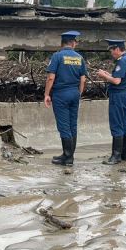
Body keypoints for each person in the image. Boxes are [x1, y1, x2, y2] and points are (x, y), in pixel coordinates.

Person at [44, 31, 87, 166]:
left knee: (63, 126)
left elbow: (51, 77)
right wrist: (78, 93)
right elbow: (83, 79)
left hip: (61, 94)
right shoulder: (79, 57)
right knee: (72, 125)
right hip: (74, 93)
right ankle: (69, 155)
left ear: (62, 43)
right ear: (73, 43)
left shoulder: (57, 56)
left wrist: (46, 94)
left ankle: (67, 157)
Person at [96, 39, 126, 165]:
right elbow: (121, 77)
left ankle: (116, 156)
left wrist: (104, 76)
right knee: (125, 124)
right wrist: (108, 74)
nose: (111, 53)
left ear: (118, 49)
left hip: (118, 95)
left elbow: (116, 81)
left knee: (116, 124)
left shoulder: (122, 61)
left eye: (112, 50)